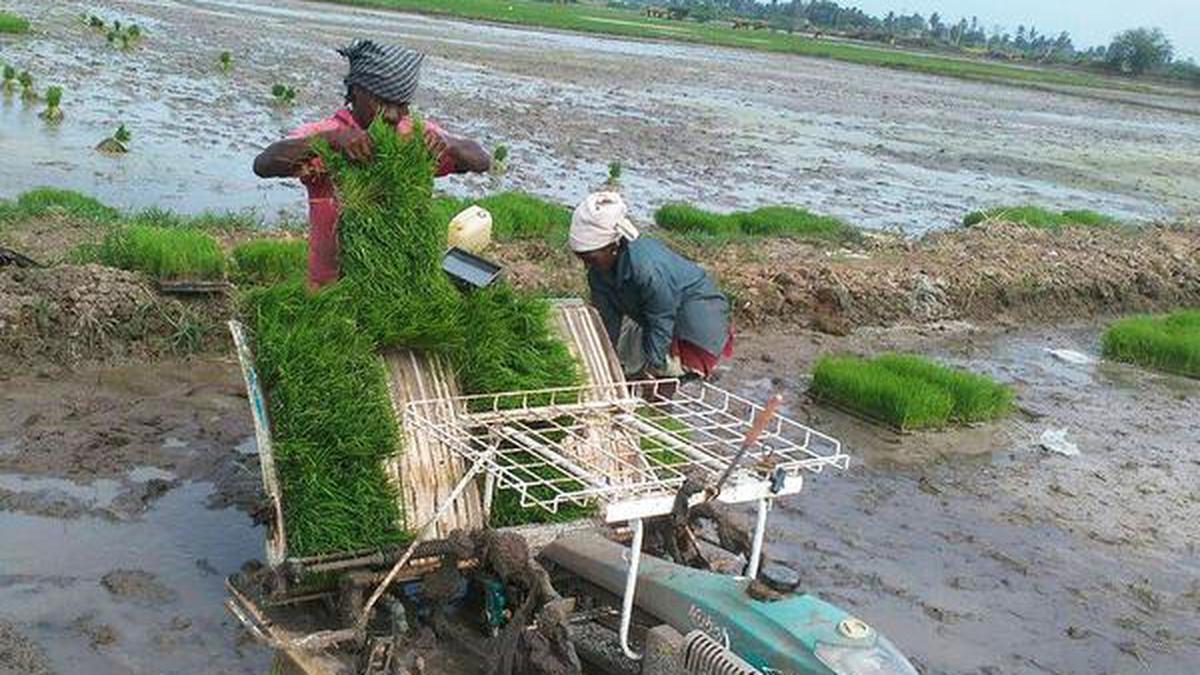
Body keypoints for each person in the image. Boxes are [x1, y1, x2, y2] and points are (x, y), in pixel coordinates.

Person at [254, 40, 491, 288]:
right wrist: (328, 141)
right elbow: (264, 164)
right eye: (383, 101)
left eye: (401, 105)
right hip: (331, 283)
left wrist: (449, 143)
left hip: (402, 279)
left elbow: (481, 161)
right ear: (357, 91)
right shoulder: (327, 135)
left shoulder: (413, 136)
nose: (392, 115)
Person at [569, 192, 733, 385]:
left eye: (590, 258)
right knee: (624, 360)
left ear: (613, 247)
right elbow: (607, 319)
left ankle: (667, 393)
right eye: (581, 258)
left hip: (695, 325)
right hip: (656, 315)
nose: (586, 265)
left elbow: (661, 319)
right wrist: (604, 359)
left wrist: (652, 367)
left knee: (658, 379)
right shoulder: (599, 271)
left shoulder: (647, 269)